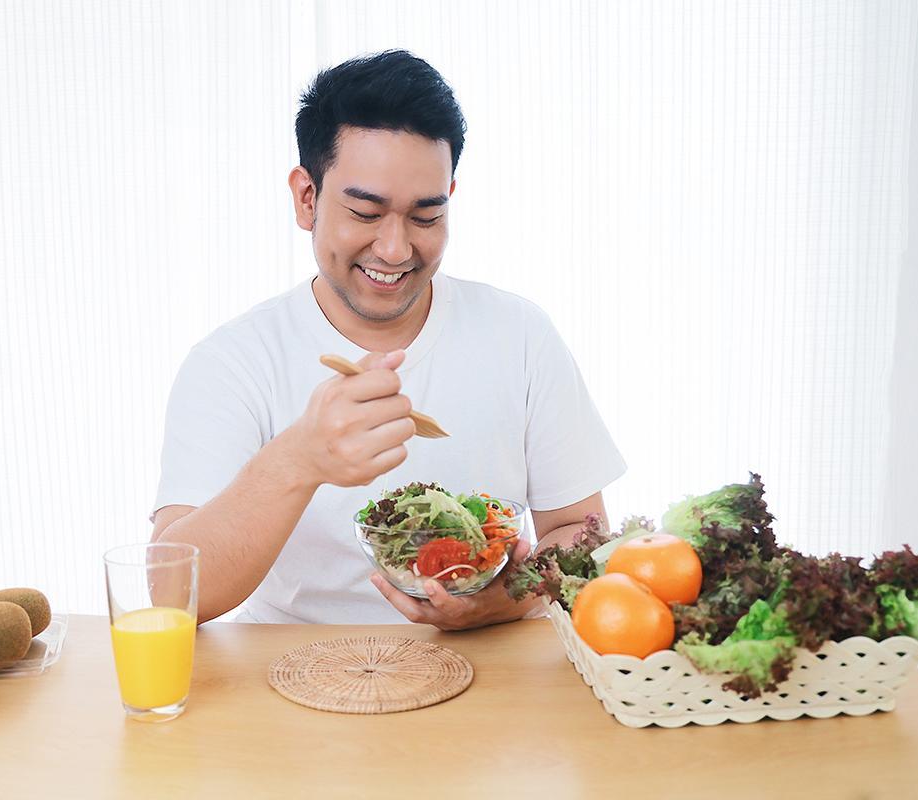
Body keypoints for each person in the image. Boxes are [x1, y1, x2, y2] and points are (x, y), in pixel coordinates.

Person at [150, 50, 625, 629]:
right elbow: (171, 593)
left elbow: (580, 531)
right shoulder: (234, 362)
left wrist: (502, 599)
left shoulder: (519, 334)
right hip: (293, 666)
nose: (395, 250)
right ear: (306, 198)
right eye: (365, 213)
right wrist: (298, 459)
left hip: (494, 664)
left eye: (426, 217)